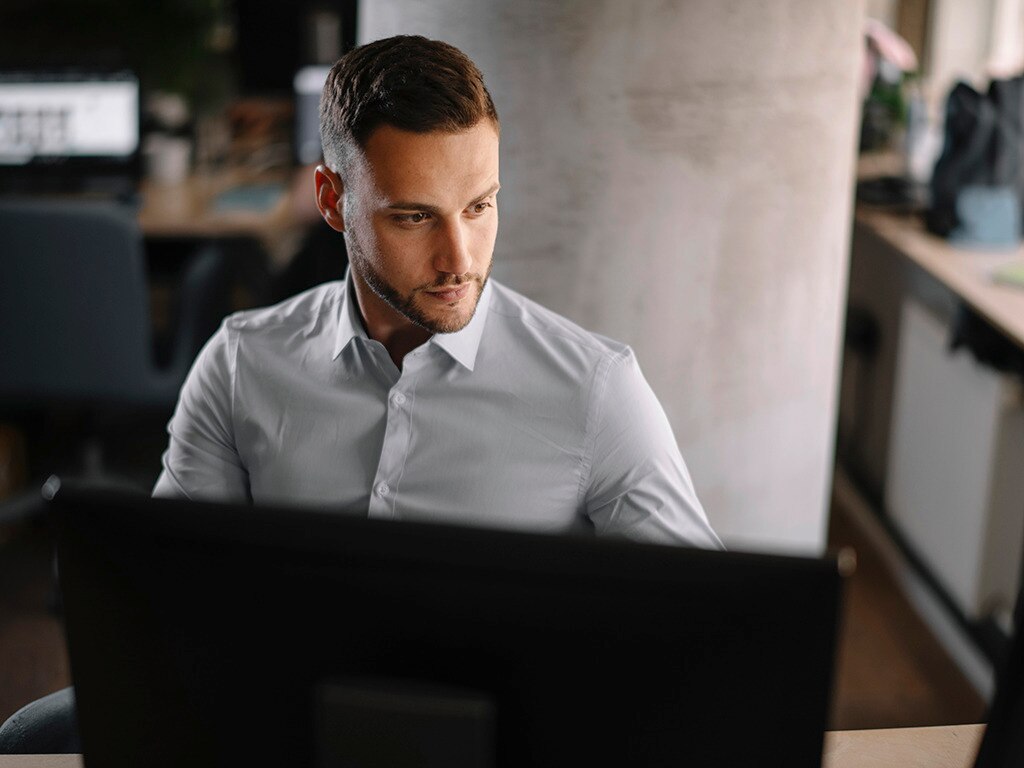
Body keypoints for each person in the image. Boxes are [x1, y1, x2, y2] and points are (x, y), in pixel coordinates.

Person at [153, 35, 721, 549]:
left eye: (479, 207)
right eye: (414, 217)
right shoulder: (239, 365)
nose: (460, 260)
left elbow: (707, 622)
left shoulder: (598, 392)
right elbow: (168, 584)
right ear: (331, 200)